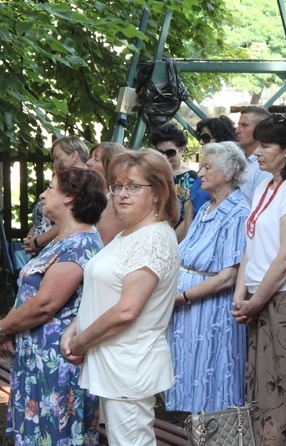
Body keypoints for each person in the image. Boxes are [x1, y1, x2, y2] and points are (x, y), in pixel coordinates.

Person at [61, 149, 180, 446]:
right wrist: (74, 327)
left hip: (130, 365)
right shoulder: (130, 233)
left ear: (158, 193)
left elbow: (127, 310)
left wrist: (79, 341)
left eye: (134, 187)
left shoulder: (152, 238)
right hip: (115, 362)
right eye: (117, 186)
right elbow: (105, 292)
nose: (122, 194)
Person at [231, 113, 286, 445]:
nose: (256, 151)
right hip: (262, 297)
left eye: (265, 145)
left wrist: (254, 302)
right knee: (263, 389)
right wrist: (241, 295)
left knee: (283, 390)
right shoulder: (266, 186)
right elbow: (251, 248)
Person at [1, 167, 106, 444]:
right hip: (38, 359)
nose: (43, 194)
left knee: (56, 435)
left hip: (57, 365)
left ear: (70, 197)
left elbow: (45, 304)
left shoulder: (80, 245)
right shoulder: (62, 240)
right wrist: (13, 328)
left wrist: (2, 327)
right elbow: (29, 294)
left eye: (50, 187)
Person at [165, 141, 250, 412]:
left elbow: (228, 276)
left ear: (228, 174)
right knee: (192, 380)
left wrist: (183, 297)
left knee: (213, 384)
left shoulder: (238, 214)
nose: (200, 173)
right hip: (189, 313)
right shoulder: (205, 209)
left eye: (207, 167)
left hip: (211, 315)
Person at [23, 136, 89, 256]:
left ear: (74, 156)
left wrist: (37, 242)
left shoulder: (84, 183)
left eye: (57, 158)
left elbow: (71, 221)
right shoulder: (62, 180)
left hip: (59, 253)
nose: (54, 164)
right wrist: (30, 237)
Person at [150, 123, 197, 240]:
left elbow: (188, 217)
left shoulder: (189, 177)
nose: (165, 157)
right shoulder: (152, 174)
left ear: (181, 149)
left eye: (170, 153)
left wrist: (170, 242)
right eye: (160, 153)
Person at [189, 115, 238, 213]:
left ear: (221, 138)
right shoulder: (201, 169)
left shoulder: (231, 169)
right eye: (200, 137)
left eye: (205, 137)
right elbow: (191, 207)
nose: (201, 142)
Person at [86, 142, 127, 244]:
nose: (88, 163)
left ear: (111, 166)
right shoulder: (92, 193)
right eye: (90, 157)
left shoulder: (116, 201)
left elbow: (104, 242)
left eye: (96, 160)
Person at [235, 106, 273, 205]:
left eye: (244, 125)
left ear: (260, 129)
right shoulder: (240, 160)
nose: (237, 131)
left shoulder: (264, 166)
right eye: (238, 125)